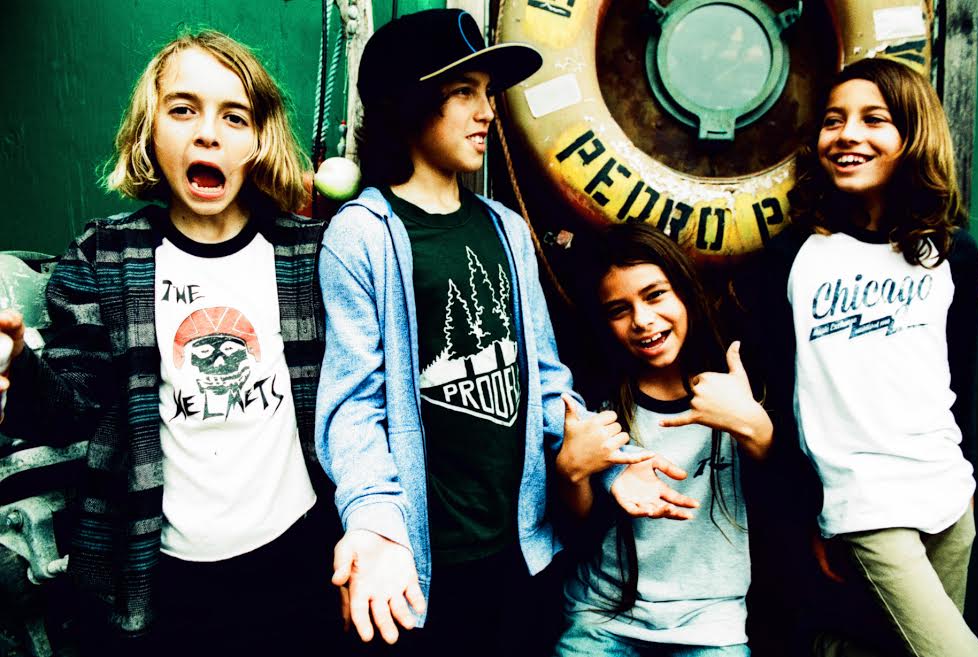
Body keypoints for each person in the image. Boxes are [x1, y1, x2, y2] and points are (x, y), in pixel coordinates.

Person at [0, 29, 340, 657]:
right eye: (183, 109)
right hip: (161, 577)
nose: (208, 133)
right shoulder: (106, 256)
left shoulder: (306, 252)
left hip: (298, 558)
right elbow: (69, 408)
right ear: (150, 132)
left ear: (259, 140)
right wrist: (18, 364)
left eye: (234, 116)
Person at [315, 9, 640, 655]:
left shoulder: (505, 228)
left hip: (525, 550)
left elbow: (545, 377)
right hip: (424, 566)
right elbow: (352, 407)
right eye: (464, 92)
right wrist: (375, 522)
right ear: (409, 104)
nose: (487, 111)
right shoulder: (361, 236)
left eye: (488, 93)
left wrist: (606, 466)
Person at [750, 57, 978, 657]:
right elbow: (784, 399)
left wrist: (966, 484)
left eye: (873, 119)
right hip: (863, 503)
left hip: (947, 498)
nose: (847, 134)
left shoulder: (952, 254)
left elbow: (959, 385)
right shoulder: (794, 257)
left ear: (913, 134)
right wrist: (809, 510)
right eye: (833, 121)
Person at [551, 223, 772, 656]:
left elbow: (785, 504)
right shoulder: (596, 400)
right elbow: (576, 527)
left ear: (684, 291)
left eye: (655, 295)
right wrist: (572, 473)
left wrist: (755, 427)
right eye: (619, 310)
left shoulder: (736, 385)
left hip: (710, 623)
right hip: (602, 618)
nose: (642, 320)